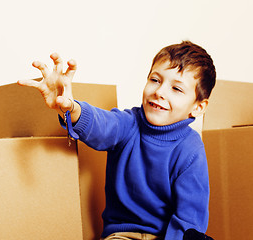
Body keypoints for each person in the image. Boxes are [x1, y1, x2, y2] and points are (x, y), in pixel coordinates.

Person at [18, 40, 216, 240]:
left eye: (177, 89)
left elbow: (190, 216)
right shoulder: (127, 124)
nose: (160, 92)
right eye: (155, 80)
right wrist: (71, 108)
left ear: (198, 107)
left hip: (168, 236)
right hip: (124, 235)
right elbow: (101, 125)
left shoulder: (191, 149)